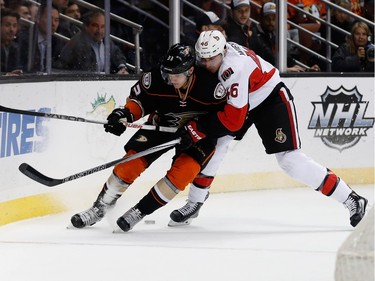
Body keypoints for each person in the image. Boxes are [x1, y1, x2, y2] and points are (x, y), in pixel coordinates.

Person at [169, 30, 368, 228]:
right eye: (202, 59)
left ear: (222, 52)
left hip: (270, 99)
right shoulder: (214, 56)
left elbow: (233, 121)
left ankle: (351, 198)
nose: (205, 64)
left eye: (211, 59)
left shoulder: (234, 69)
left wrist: (198, 127)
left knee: (290, 160)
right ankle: (195, 201)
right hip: (245, 99)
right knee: (216, 144)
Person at [70, 43, 228, 232]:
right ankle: (100, 208)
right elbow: (139, 102)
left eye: (177, 74)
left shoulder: (210, 86)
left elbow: (225, 118)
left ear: (191, 70)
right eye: (169, 73)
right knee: (130, 163)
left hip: (198, 134)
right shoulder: (156, 79)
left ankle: (139, 211)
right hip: (161, 125)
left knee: (183, 173)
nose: (171, 78)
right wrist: (124, 115)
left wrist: (196, 131)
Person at [250, 2, 320, 72]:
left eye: (274, 18)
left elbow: (287, 59)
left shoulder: (273, 34)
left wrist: (305, 69)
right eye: (267, 19)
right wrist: (286, 70)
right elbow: (266, 63)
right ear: (261, 18)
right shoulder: (255, 35)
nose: (271, 22)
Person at [56, 10, 129, 74]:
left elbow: (117, 54)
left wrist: (122, 67)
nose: (99, 31)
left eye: (103, 26)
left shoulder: (106, 40)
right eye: (95, 26)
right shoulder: (77, 43)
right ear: (86, 27)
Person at [18, 4, 65, 73]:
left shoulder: (57, 41)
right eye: (49, 19)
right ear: (38, 18)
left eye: (56, 20)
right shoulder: (25, 38)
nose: (53, 24)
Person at [0, 8, 23, 76]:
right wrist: (5, 75)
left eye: (14, 26)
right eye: (7, 25)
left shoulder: (16, 48)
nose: (12, 30)